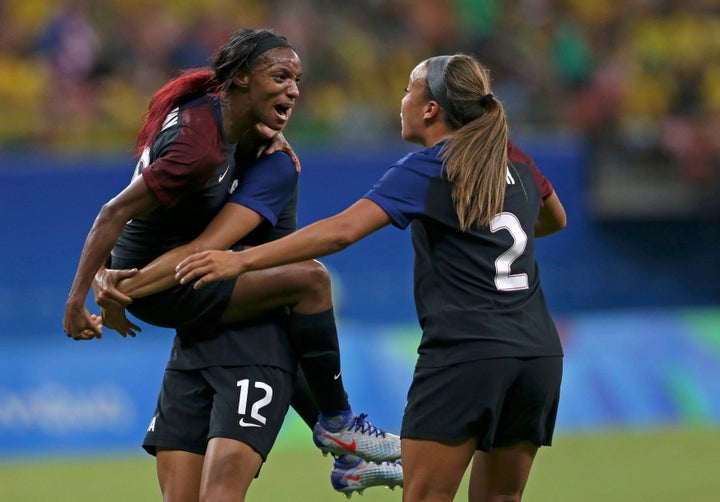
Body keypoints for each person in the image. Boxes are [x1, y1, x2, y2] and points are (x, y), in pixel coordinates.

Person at [174, 53, 568, 501]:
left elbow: (341, 231)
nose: (401, 100)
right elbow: (555, 219)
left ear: (430, 108)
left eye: (408, 90)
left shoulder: (429, 167)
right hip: (537, 355)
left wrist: (241, 261)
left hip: (467, 354)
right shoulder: (514, 159)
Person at [63, 28, 399, 501]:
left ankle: (344, 445)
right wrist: (95, 289)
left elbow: (180, 240)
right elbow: (190, 246)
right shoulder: (203, 146)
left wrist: (110, 282)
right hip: (184, 295)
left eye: (297, 80)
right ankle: (342, 430)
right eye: (280, 76)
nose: (294, 91)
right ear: (240, 80)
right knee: (309, 280)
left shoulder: (260, 154)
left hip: (205, 323)